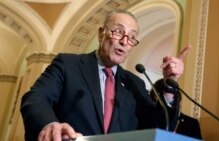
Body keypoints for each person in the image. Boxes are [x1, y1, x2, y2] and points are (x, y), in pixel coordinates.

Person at [20, 9, 191, 141]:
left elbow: (159, 128)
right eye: (118, 32)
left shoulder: (135, 83)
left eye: (132, 37)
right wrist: (50, 124)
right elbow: (36, 98)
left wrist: (169, 84)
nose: (125, 41)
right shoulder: (68, 65)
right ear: (101, 33)